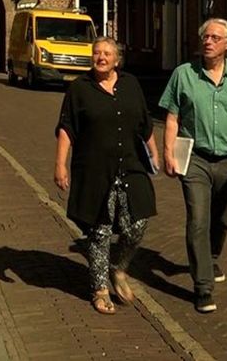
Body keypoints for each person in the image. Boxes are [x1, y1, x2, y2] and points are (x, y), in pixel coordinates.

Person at [159, 18, 227, 314]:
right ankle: (203, 287)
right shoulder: (184, 75)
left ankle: (211, 256)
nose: (208, 41)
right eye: (205, 36)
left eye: (215, 38)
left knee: (222, 220)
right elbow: (171, 118)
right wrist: (168, 152)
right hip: (195, 159)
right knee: (197, 220)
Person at [54, 37, 160, 315]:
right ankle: (99, 289)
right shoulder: (79, 88)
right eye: (96, 53)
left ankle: (119, 267)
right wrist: (60, 165)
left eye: (107, 53)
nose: (101, 57)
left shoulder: (131, 84)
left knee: (137, 223)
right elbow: (67, 128)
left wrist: (155, 153)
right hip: (94, 169)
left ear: (117, 59)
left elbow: (145, 123)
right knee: (99, 231)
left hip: (131, 165)